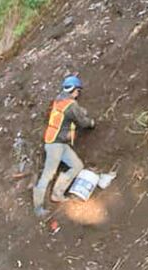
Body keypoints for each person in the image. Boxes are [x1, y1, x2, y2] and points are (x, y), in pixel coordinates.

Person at [32, 75, 97, 218]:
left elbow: (72, 113)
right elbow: (83, 122)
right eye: (78, 91)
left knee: (77, 165)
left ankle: (57, 194)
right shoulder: (70, 105)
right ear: (74, 90)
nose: (78, 94)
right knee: (48, 175)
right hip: (55, 144)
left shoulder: (59, 100)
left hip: (58, 142)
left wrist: (81, 111)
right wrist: (92, 123)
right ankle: (38, 207)